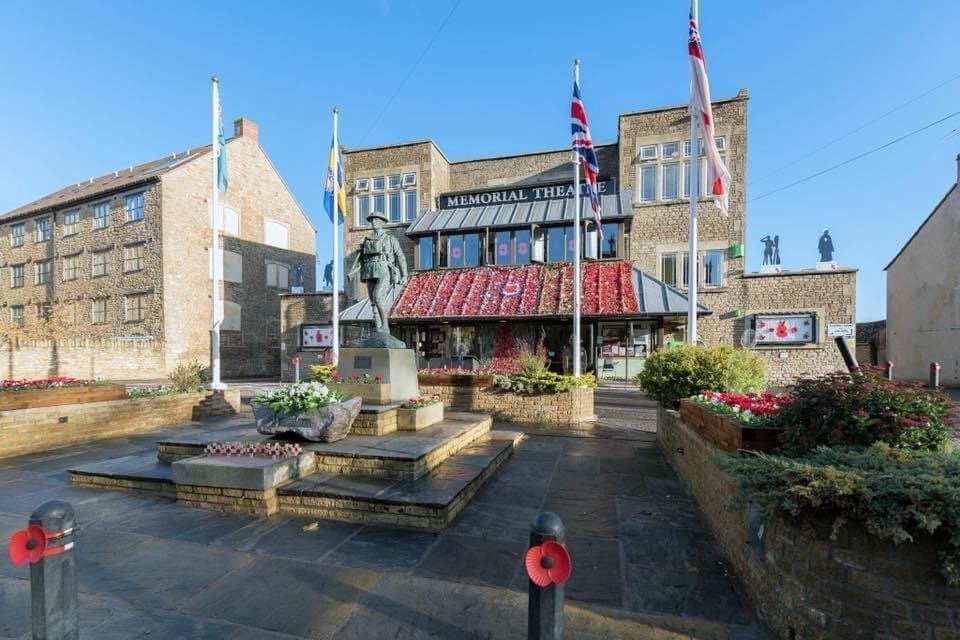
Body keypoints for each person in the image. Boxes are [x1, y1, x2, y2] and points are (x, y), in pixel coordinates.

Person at [347, 211, 408, 333]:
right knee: (373, 302)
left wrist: (404, 275)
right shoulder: (366, 240)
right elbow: (360, 259)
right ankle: (378, 327)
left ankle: (385, 326)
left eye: (376, 220)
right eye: (372, 220)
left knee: (378, 297)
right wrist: (354, 270)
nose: (373, 222)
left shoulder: (390, 239)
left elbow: (400, 257)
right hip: (369, 271)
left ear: (381, 222)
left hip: (383, 270)